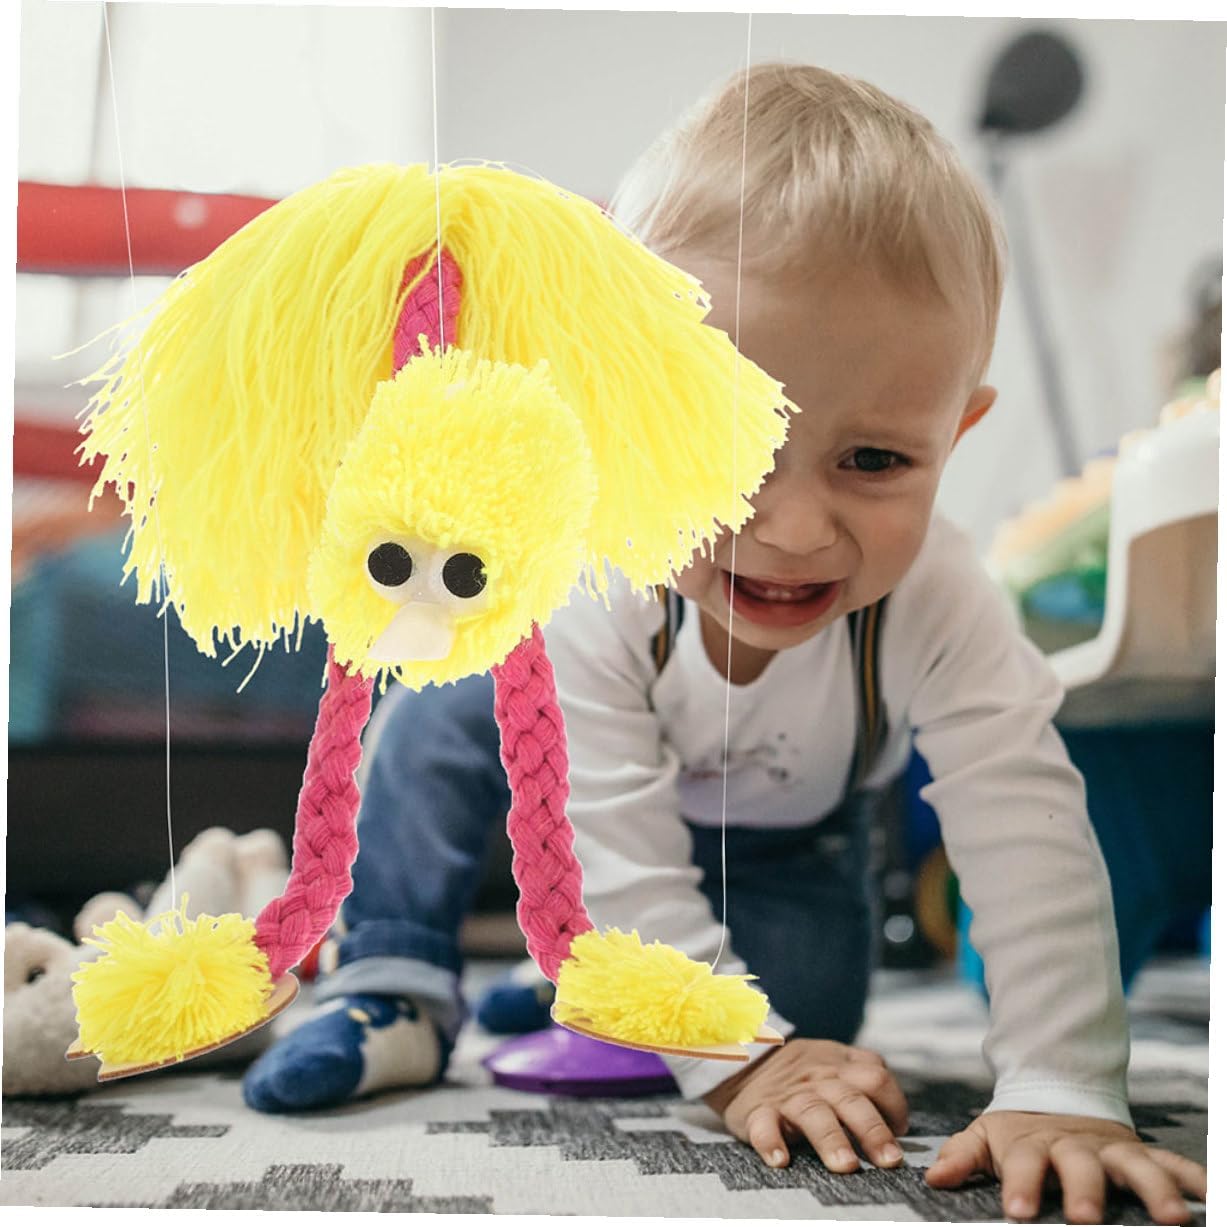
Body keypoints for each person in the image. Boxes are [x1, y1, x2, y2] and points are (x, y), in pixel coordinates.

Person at [243, 62, 1207, 1225]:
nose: (795, 531)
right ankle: (395, 977)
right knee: (440, 707)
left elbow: (1025, 823)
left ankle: (588, 995)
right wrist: (734, 1059)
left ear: (955, 432)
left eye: (876, 460)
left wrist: (1063, 1086)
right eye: (728, 455)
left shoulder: (944, 595)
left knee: (807, 1021)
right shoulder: (596, 579)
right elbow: (608, 845)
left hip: (793, 842)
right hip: (571, 814)